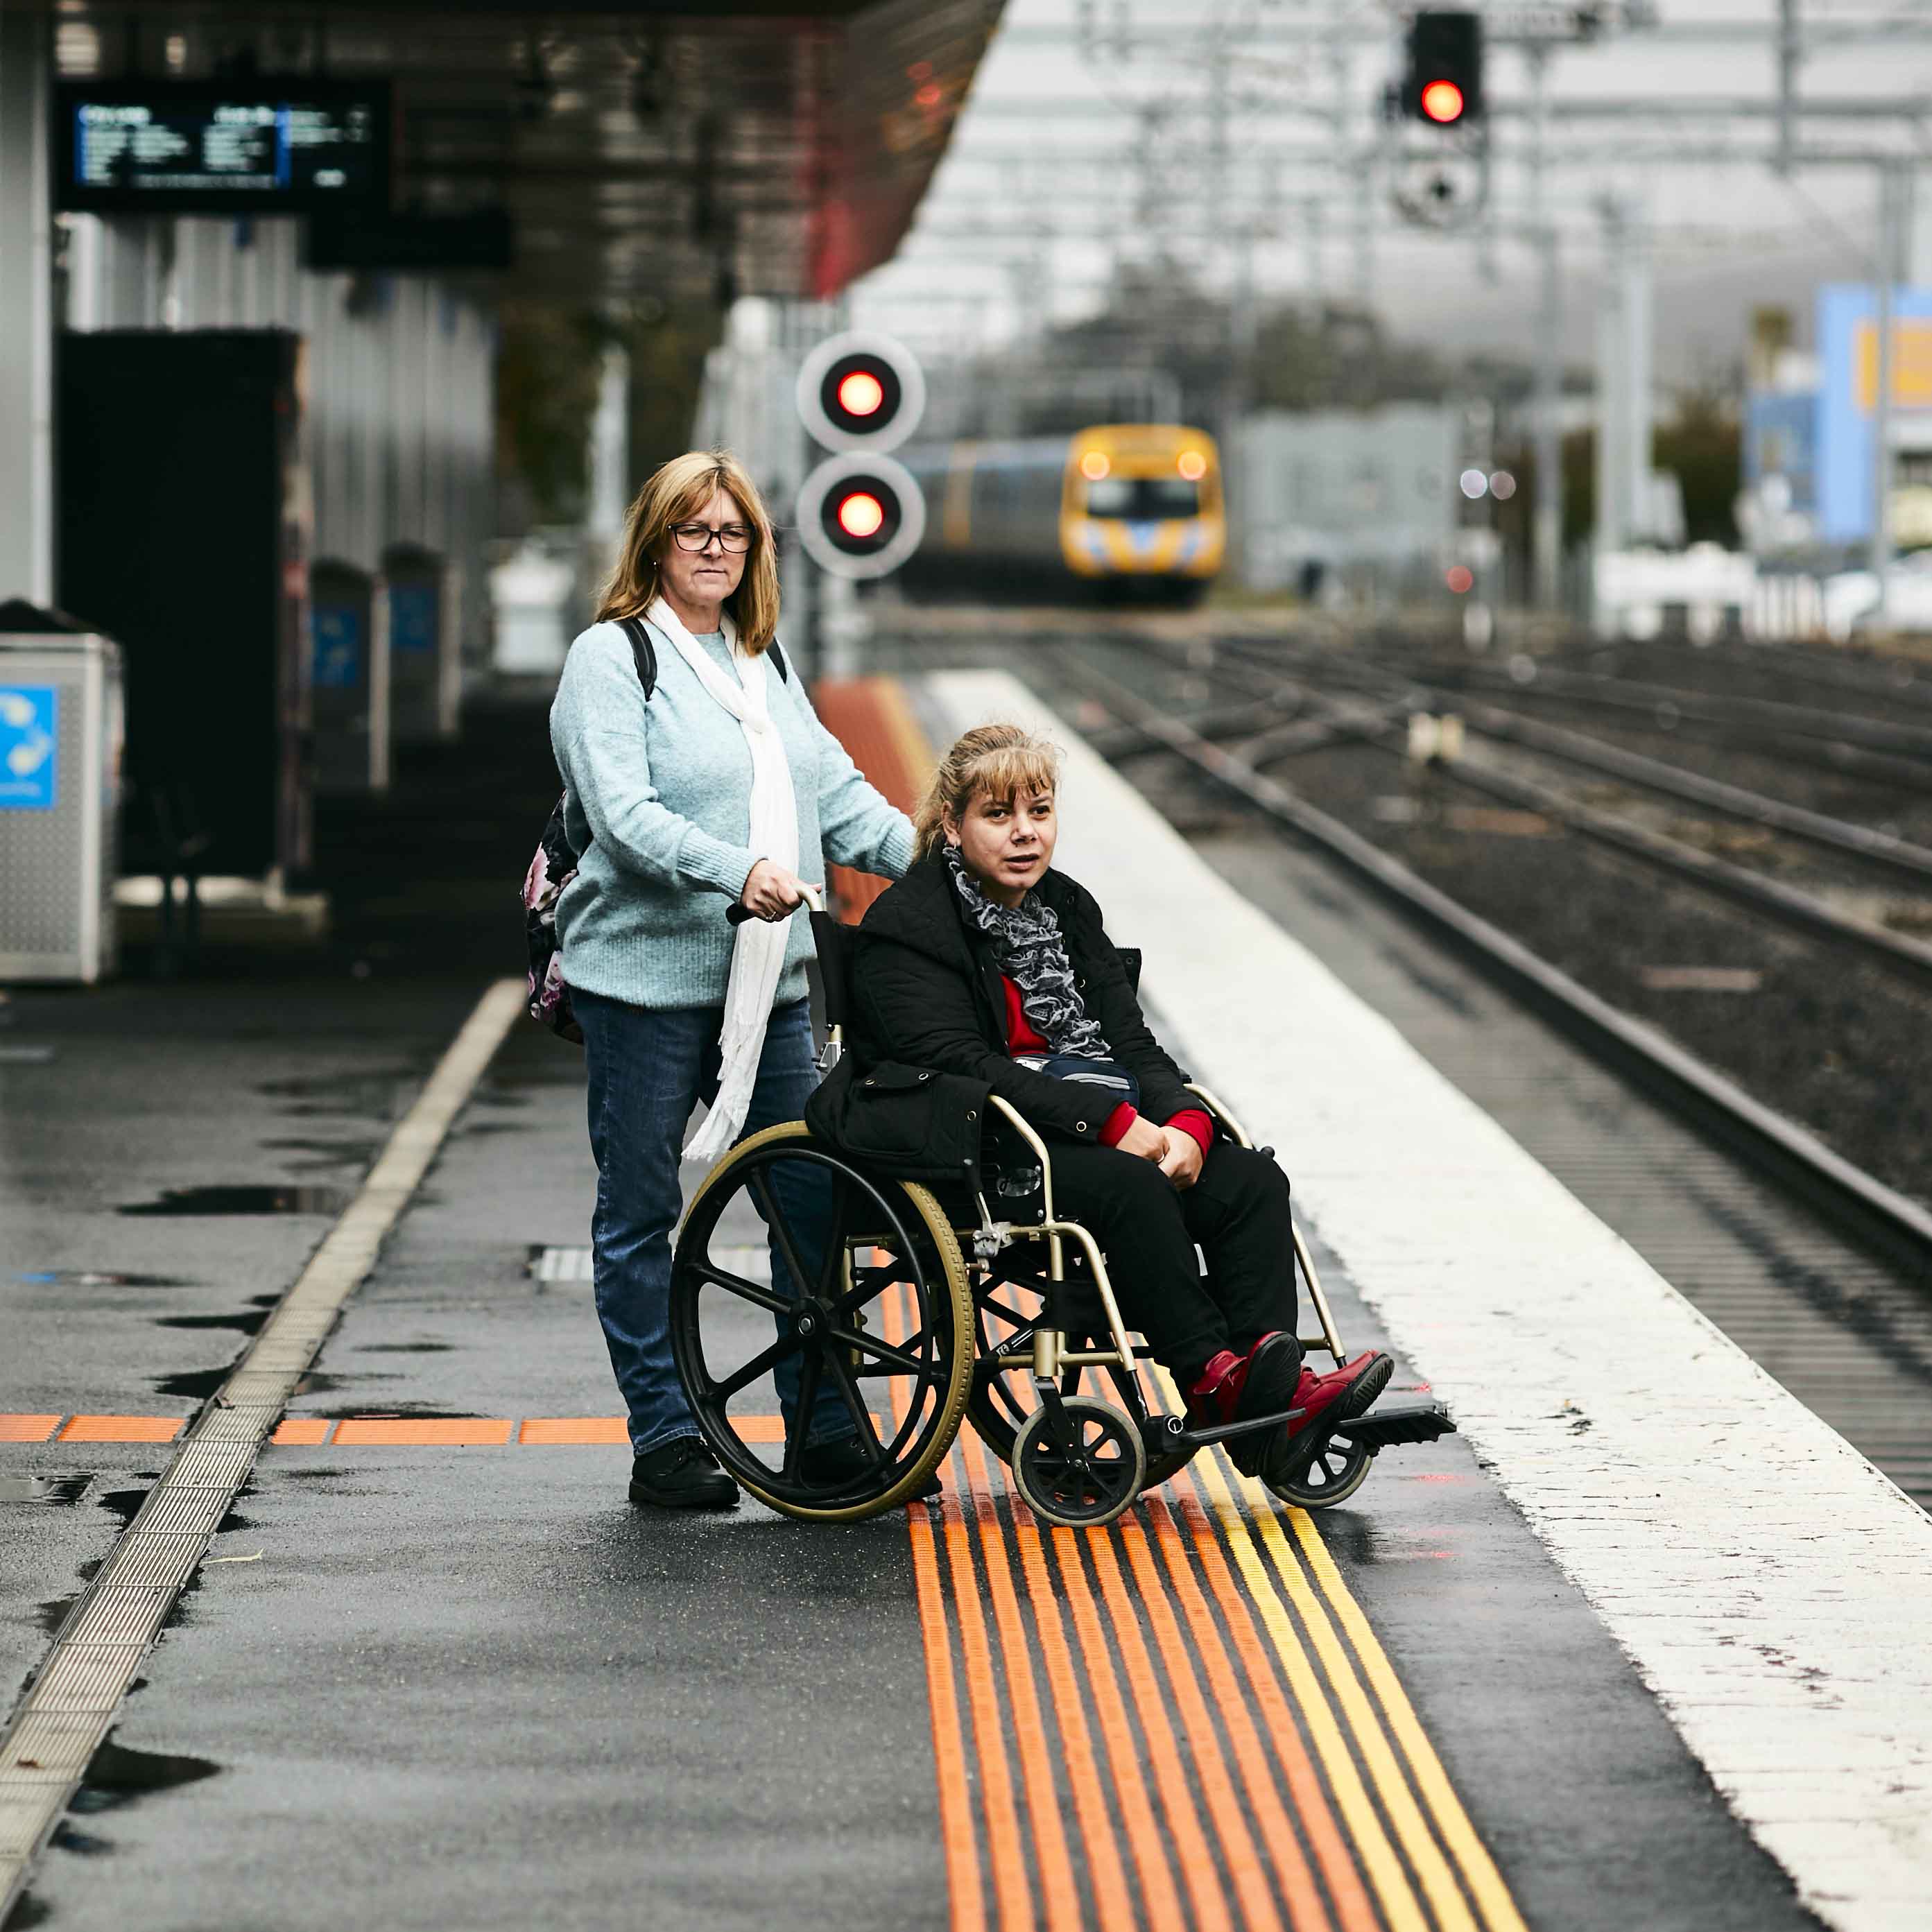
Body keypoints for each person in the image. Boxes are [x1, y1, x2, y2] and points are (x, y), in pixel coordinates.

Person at [849, 723, 1390, 1484]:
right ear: (952, 823)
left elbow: (1132, 1044)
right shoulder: (909, 926)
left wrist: (1187, 1125)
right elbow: (962, 1063)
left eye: (1037, 811)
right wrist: (1107, 1123)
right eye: (998, 815)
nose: (1023, 833)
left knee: (1248, 1183)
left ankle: (1273, 1403)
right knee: (1131, 1188)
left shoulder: (1067, 907)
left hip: (1098, 1127)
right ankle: (1214, 1379)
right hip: (986, 1143)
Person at [549, 450, 914, 1509]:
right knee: (640, 1210)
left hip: (775, 982)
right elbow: (622, 814)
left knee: (813, 1204)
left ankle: (826, 1432)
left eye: (733, 533)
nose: (714, 549)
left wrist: (950, 867)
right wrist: (736, 871)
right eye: (692, 531)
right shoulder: (611, 660)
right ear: (655, 543)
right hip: (645, 983)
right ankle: (665, 1438)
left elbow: (834, 796)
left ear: (756, 548)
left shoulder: (765, 660)